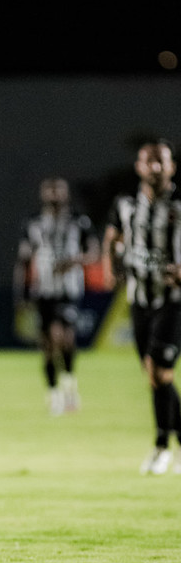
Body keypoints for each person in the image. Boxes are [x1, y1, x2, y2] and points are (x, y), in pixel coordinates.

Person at [102, 138, 181, 475]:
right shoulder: (126, 204)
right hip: (138, 299)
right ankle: (166, 443)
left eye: (161, 161)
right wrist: (110, 270)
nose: (155, 167)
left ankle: (162, 446)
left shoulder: (179, 202)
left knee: (160, 371)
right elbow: (112, 238)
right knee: (153, 375)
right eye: (149, 161)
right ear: (139, 167)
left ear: (172, 166)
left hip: (172, 300)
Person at [13, 177, 99, 415]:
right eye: (49, 191)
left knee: (64, 338)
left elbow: (93, 251)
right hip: (43, 291)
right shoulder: (33, 223)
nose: (53, 195)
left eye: (58, 191)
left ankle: (70, 385)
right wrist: (20, 294)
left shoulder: (78, 222)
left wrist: (73, 261)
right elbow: (23, 260)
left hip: (69, 290)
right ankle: (54, 394)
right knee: (49, 346)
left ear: (66, 194)